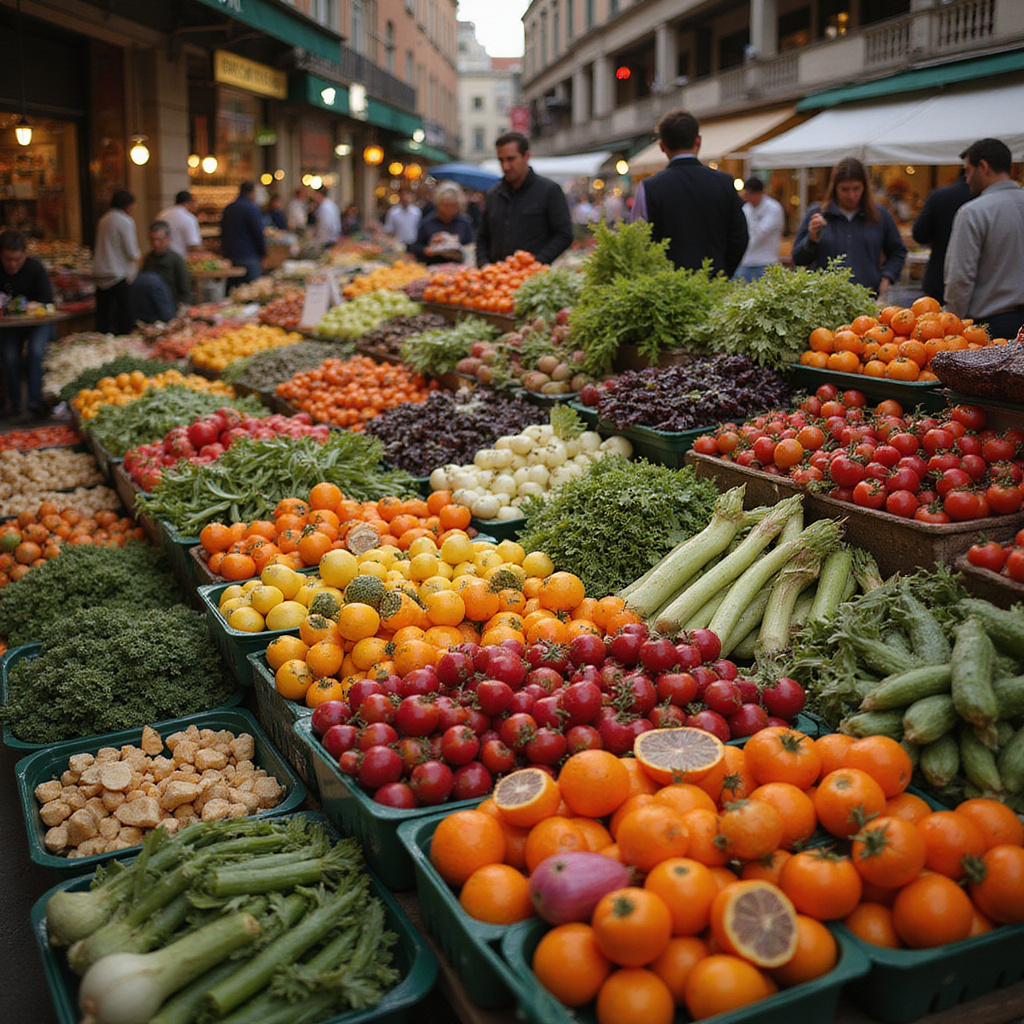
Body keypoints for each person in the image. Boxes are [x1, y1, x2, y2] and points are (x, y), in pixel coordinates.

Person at [629, 110, 749, 278]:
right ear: (698, 141)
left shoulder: (650, 188)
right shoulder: (724, 183)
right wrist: (722, 272)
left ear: (662, 146)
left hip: (667, 286)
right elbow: (739, 237)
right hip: (714, 283)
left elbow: (639, 242)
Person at [792, 156, 906, 297]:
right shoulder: (817, 213)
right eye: (845, 189)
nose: (851, 195)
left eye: (856, 188)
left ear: (865, 187)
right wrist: (811, 240)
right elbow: (798, 260)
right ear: (834, 188)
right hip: (825, 302)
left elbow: (897, 252)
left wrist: (887, 277)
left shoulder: (879, 215)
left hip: (867, 299)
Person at [944, 138, 1024, 340]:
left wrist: (952, 326)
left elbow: (960, 278)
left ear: (983, 167)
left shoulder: (973, 212)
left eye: (968, 170)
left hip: (992, 328)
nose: (966, 179)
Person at [476, 131, 573, 266]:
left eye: (511, 159)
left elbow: (564, 234)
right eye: (501, 160)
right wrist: (484, 264)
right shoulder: (493, 194)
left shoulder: (549, 191)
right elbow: (482, 237)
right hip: (496, 279)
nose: (505, 166)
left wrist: (536, 262)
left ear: (526, 156)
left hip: (533, 279)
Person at [0, 229, 55, 417]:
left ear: (25, 255)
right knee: (9, 357)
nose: (13, 264)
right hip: (9, 325)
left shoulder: (35, 268)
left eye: (17, 259)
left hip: (37, 323)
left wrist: (34, 306)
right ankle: (15, 403)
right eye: (8, 259)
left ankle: (34, 400)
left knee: (36, 351)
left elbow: (49, 300)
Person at [911, 172, 972, 304]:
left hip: (938, 278)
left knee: (934, 320)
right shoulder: (991, 201)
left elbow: (920, 234)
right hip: (980, 288)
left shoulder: (939, 197)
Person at [93, 189, 141, 334]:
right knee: (123, 318)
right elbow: (132, 251)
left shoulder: (104, 219)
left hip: (100, 272)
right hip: (117, 274)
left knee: (103, 317)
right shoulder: (125, 221)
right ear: (128, 205)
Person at [128, 220, 190, 324]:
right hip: (149, 310)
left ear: (168, 238)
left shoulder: (175, 259)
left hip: (169, 309)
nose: (155, 244)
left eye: (159, 240)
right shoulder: (148, 258)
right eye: (152, 239)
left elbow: (184, 287)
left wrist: (181, 309)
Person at [408, 183, 475, 264]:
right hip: (432, 267)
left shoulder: (464, 222)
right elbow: (416, 247)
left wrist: (459, 249)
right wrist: (427, 250)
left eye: (453, 205)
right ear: (438, 204)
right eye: (446, 205)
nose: (449, 209)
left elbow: (471, 246)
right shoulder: (428, 222)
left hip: (458, 269)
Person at [735, 177, 785, 282]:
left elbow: (762, 233)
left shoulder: (773, 208)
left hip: (766, 261)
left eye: (751, 194)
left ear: (760, 193)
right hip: (746, 262)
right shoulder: (746, 208)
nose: (748, 197)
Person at [219, 181, 266, 286]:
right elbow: (258, 233)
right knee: (252, 290)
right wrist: (263, 253)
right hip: (249, 256)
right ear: (251, 192)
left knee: (233, 292)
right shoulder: (252, 209)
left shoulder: (228, 208)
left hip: (231, 256)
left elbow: (222, 231)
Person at [156, 190, 203, 258]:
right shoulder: (189, 218)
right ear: (189, 202)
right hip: (180, 259)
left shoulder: (161, 215)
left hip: (161, 256)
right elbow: (193, 244)